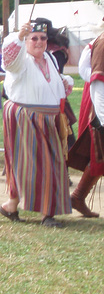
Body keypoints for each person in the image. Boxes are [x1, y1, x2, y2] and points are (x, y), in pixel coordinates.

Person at [0, 21, 73, 227]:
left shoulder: (49, 57)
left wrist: (64, 83)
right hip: (26, 116)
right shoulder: (20, 59)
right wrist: (18, 36)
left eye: (43, 38)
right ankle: (46, 214)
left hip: (48, 117)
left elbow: (52, 80)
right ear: (26, 41)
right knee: (38, 165)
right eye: (34, 38)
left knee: (41, 164)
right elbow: (9, 60)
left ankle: (11, 205)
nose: (39, 42)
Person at [68, 33, 104, 217]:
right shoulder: (103, 42)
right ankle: (78, 196)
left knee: (100, 155)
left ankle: (78, 196)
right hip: (99, 101)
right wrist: (102, 119)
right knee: (99, 153)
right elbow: (94, 77)